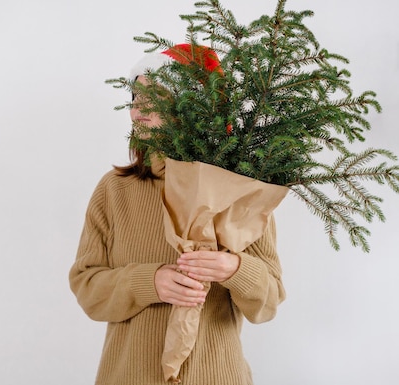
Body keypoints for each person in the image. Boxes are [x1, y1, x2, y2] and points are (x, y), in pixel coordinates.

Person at [68, 44, 285, 385]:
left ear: (191, 109)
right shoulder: (113, 191)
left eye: (153, 98)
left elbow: (268, 302)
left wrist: (235, 269)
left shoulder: (238, 191)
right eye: (135, 99)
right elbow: (86, 287)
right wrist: (148, 282)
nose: (138, 111)